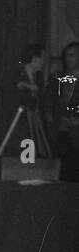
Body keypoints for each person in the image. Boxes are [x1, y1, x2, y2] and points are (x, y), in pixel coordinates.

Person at [49, 41, 79, 182]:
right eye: (66, 55)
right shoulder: (58, 78)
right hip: (61, 133)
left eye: (72, 55)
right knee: (63, 173)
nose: (69, 58)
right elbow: (49, 104)